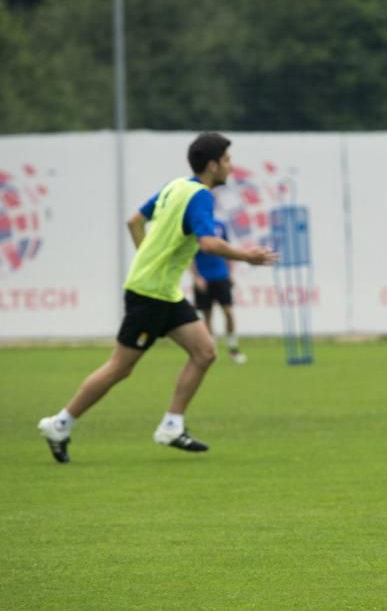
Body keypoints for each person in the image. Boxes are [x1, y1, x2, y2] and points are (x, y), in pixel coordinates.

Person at [36, 133, 277, 463]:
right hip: (149, 295)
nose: (231, 166)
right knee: (120, 368)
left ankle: (171, 426)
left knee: (205, 352)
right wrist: (246, 256)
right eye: (227, 160)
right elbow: (207, 244)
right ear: (212, 164)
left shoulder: (176, 185)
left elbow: (134, 220)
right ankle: (59, 424)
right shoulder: (201, 197)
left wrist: (149, 258)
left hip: (163, 291)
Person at [191, 220, 248, 364]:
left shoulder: (220, 226)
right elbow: (189, 256)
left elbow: (227, 250)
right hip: (203, 279)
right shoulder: (195, 227)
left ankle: (233, 348)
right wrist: (196, 277)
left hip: (221, 276)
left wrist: (230, 274)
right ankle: (211, 351)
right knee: (207, 317)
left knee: (228, 312)